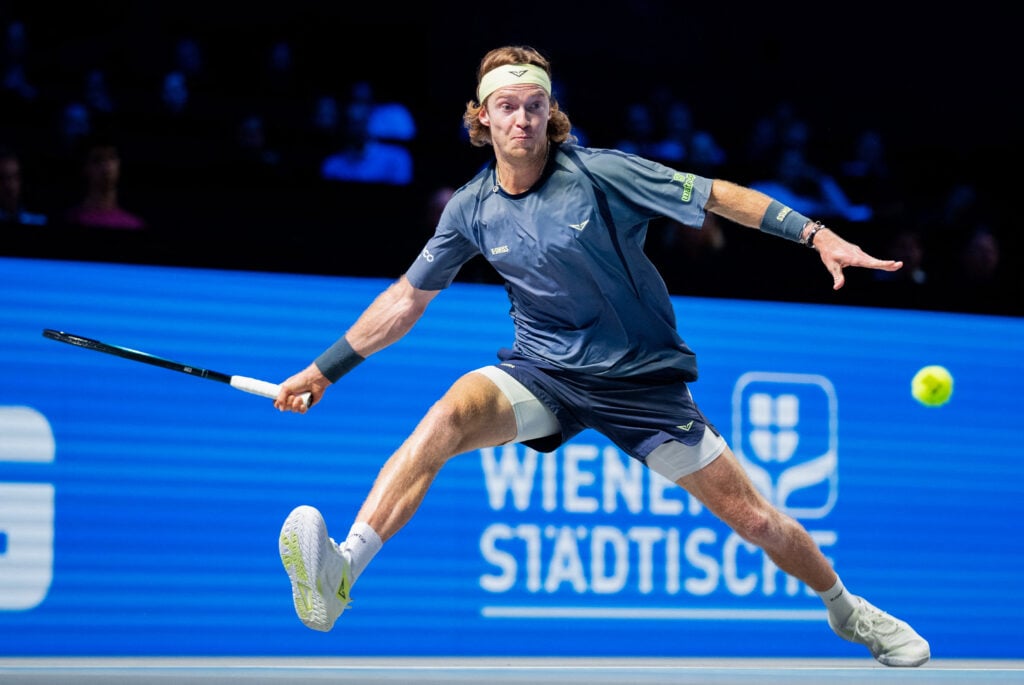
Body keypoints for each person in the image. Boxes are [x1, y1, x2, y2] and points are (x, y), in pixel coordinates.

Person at [274, 45, 930, 668]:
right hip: (544, 371)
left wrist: (816, 235)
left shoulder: (602, 175)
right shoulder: (471, 208)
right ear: (483, 118)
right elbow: (405, 301)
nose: (523, 116)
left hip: (641, 383)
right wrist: (321, 369)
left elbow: (718, 196)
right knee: (446, 417)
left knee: (754, 517)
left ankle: (846, 609)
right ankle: (341, 571)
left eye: (535, 104)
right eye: (508, 105)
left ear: (550, 113)